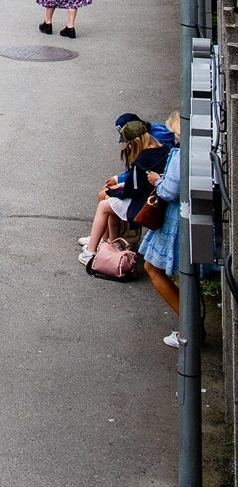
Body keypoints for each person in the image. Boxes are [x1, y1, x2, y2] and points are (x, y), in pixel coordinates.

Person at [79, 121, 169, 266]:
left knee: (104, 205)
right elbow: (140, 183)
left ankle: (90, 252)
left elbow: (133, 190)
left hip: (140, 204)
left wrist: (115, 191)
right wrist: (121, 185)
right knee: (111, 206)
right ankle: (113, 244)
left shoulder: (141, 160)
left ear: (135, 141)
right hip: (154, 199)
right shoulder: (164, 149)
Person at [139, 129, 185, 348]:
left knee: (153, 267)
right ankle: (191, 325)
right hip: (187, 215)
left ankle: (189, 328)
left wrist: (157, 181)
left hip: (176, 219)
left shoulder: (179, 153)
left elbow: (169, 191)